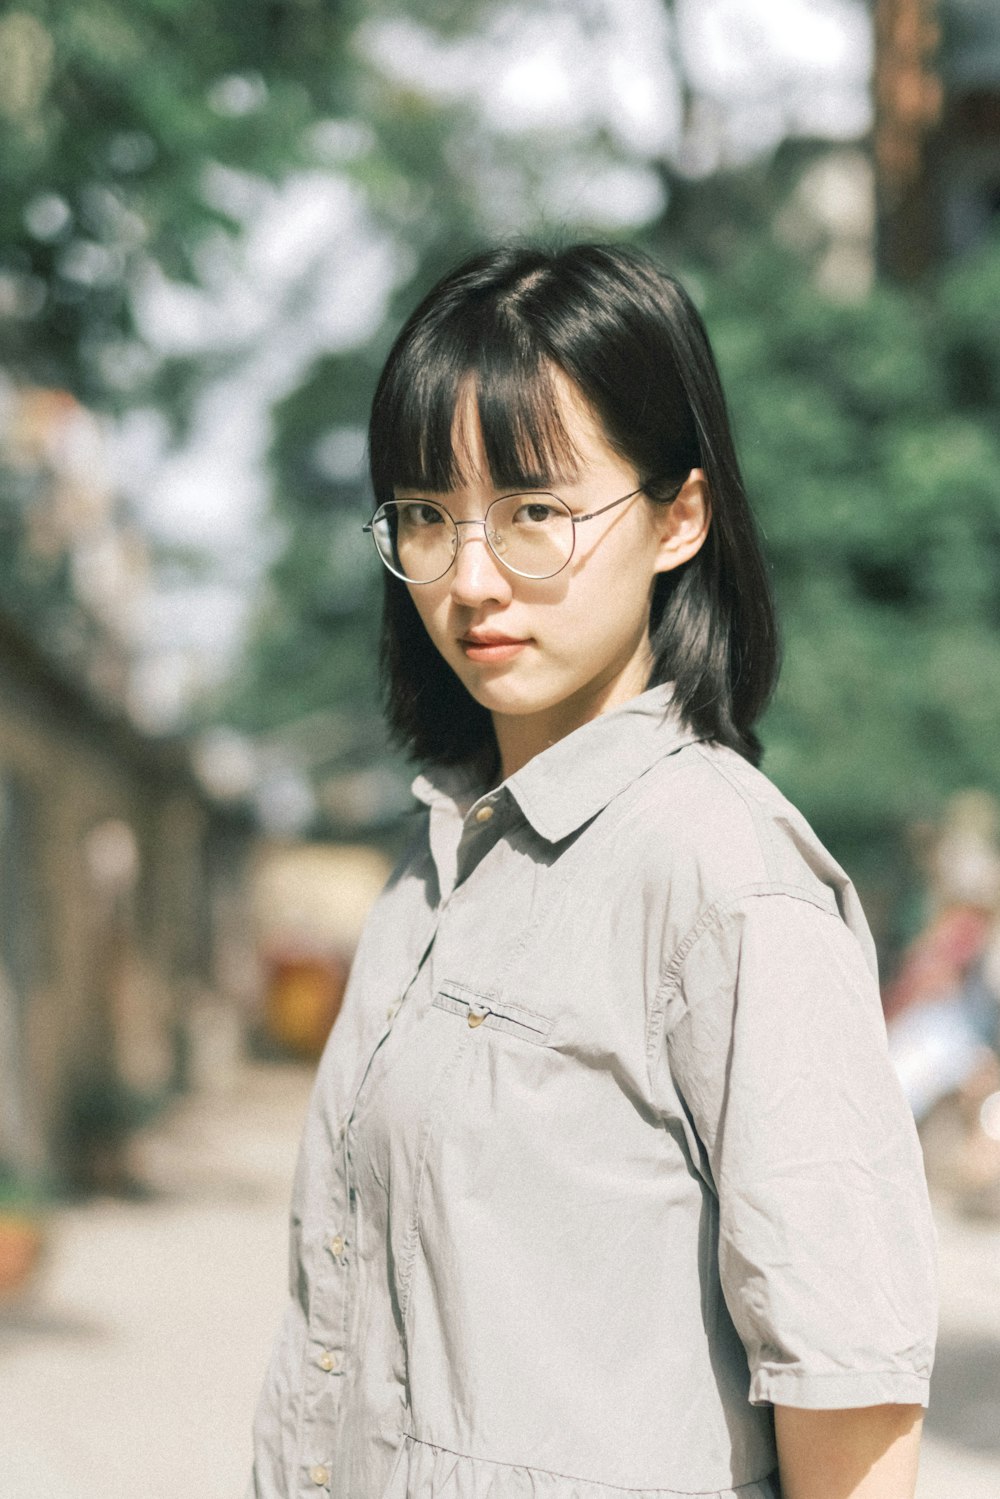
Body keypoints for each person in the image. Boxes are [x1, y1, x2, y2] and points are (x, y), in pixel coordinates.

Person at [246, 244, 938, 1499]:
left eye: (534, 512)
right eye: (425, 515)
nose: (469, 579)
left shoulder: (725, 881)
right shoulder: (433, 865)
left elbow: (853, 1401)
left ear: (679, 514)